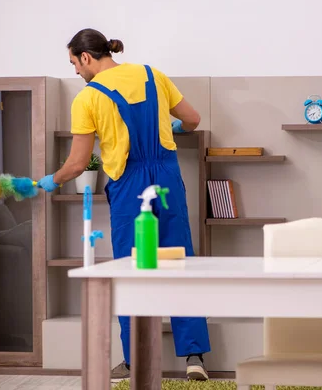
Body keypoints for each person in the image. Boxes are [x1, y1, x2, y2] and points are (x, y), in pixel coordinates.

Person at [36, 28, 211, 381]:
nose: (74, 71)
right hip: (167, 178)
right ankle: (195, 358)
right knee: (181, 261)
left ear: (86, 57)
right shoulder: (152, 74)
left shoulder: (86, 99)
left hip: (130, 186)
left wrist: (50, 180)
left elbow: (78, 163)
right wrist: (171, 126)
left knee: (131, 270)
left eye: (73, 62)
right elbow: (193, 120)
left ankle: (135, 362)